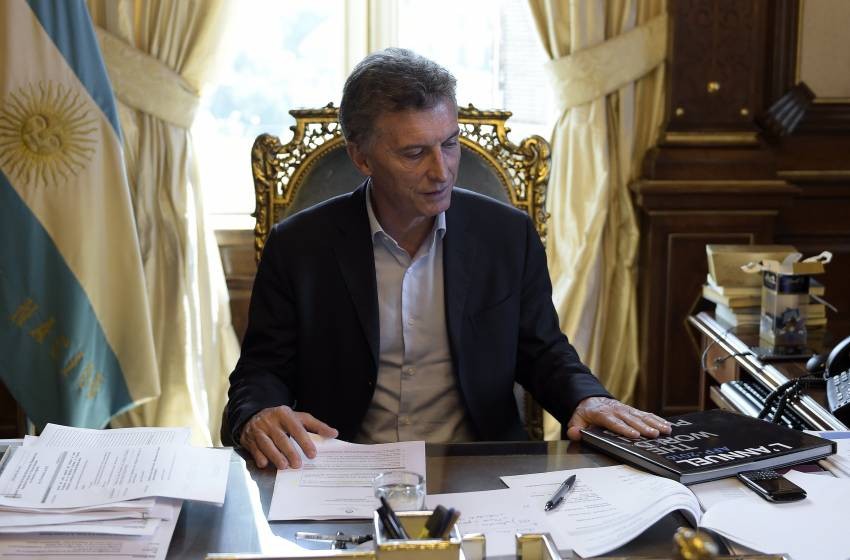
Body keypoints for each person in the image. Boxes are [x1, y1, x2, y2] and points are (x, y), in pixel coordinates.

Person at [226, 48, 671, 470]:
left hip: (479, 465)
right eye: (414, 153)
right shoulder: (299, 245)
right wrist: (258, 414)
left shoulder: (507, 235)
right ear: (361, 157)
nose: (442, 171)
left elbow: (543, 351)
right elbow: (261, 371)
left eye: (450, 144)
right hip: (345, 467)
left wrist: (586, 398)